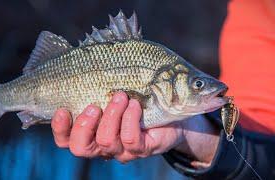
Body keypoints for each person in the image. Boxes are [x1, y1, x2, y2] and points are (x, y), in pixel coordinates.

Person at [51, 0, 275, 179]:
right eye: (197, 84)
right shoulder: (256, 9)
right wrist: (193, 133)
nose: (212, 89)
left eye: (198, 84)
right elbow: (260, 130)